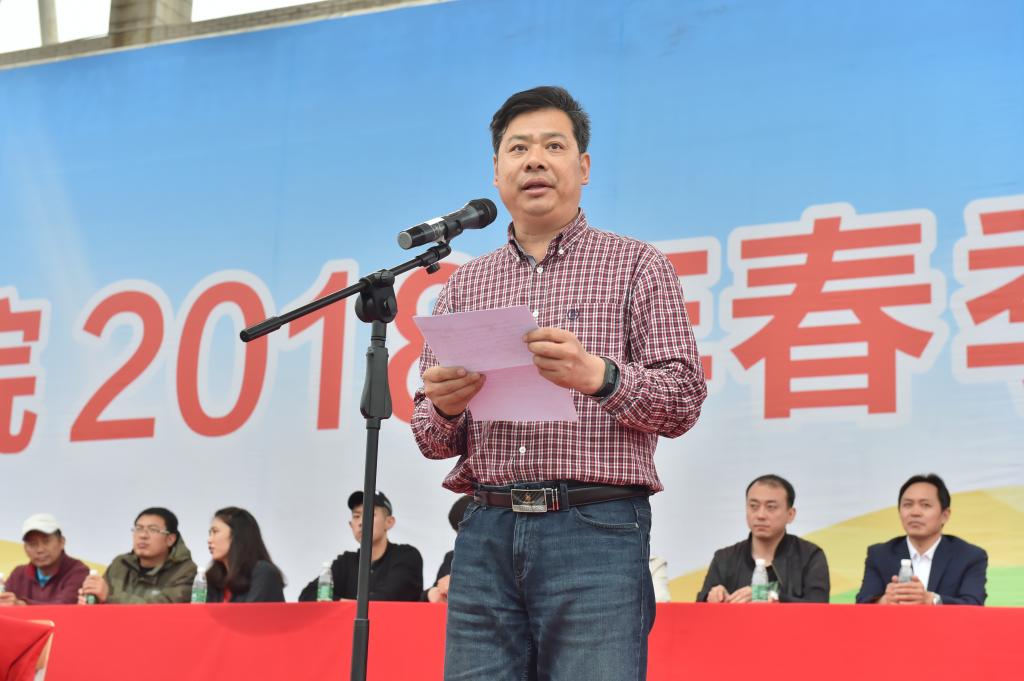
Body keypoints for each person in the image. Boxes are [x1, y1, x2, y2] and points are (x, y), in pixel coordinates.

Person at [411, 86, 706, 680]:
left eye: (553, 146)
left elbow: (682, 400)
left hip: (595, 528)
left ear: (584, 166)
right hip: (486, 526)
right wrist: (444, 408)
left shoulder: (637, 265)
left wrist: (599, 377)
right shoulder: (464, 285)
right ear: (497, 171)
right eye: (518, 148)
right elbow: (430, 437)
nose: (535, 161)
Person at [856, 473, 987, 605]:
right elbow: (862, 604)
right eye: (908, 505)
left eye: (925, 505)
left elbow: (974, 605)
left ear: (945, 515)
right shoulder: (880, 554)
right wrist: (884, 601)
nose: (915, 513)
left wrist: (931, 600)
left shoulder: (969, 556)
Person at [697, 474, 830, 603]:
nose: (760, 515)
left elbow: (819, 608)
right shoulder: (725, 558)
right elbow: (698, 611)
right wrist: (711, 598)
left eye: (771, 507)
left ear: (790, 514)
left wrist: (773, 598)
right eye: (753, 506)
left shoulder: (810, 556)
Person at [298, 490, 422, 602]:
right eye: (356, 516)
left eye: (370, 514)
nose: (361, 522)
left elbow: (388, 598)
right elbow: (308, 596)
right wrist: (344, 603)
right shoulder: (345, 562)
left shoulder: (406, 556)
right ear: (350, 525)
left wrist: (341, 606)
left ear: (389, 522)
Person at [79, 507, 197, 604]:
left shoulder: (186, 571)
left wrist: (108, 596)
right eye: (139, 529)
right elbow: (101, 599)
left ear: (170, 539)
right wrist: (93, 599)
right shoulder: (120, 564)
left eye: (153, 530)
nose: (143, 535)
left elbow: (162, 611)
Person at [0, 513, 89, 606]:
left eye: (46, 541)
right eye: (33, 544)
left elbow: (64, 606)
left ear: (62, 542)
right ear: (25, 548)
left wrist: (21, 605)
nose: (40, 549)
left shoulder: (78, 571)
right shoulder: (18, 574)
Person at [204, 507, 285, 603]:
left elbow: (251, 612)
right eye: (210, 533)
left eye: (215, 532)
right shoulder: (213, 579)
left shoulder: (264, 573)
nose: (209, 540)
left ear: (236, 535)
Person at [424, 495, 473, 603]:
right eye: (458, 534)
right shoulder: (452, 558)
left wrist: (462, 584)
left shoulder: (507, 558)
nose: (462, 540)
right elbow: (433, 592)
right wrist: (432, 593)